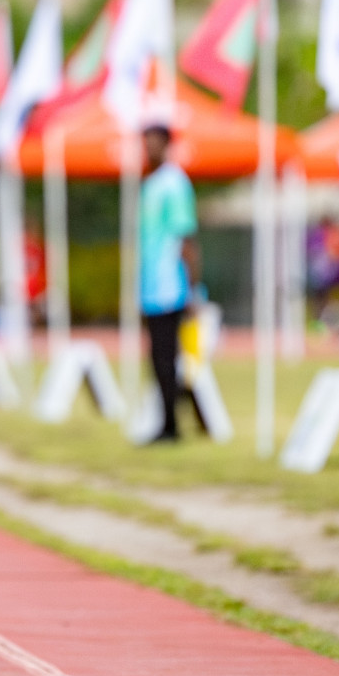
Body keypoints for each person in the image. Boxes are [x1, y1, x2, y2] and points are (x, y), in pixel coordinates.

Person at [138, 121, 200, 444]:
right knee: (158, 359)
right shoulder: (151, 183)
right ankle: (166, 421)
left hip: (170, 287)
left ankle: (172, 425)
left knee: (168, 358)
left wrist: (192, 289)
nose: (147, 146)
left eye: (152, 140)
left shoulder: (175, 184)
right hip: (150, 287)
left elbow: (186, 239)